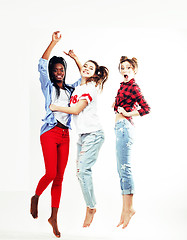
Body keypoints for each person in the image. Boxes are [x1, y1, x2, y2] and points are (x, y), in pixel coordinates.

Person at [30, 32, 81, 238]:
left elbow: (85, 79)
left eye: (61, 69)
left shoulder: (70, 90)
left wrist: (76, 59)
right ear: (52, 73)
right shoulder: (48, 86)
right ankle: (36, 197)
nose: (59, 72)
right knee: (50, 173)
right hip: (50, 133)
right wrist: (54, 42)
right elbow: (42, 63)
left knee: (59, 178)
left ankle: (54, 217)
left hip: (65, 135)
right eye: (56, 70)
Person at [50, 50, 109, 227]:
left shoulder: (91, 88)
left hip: (94, 134)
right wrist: (76, 59)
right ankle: (90, 206)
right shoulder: (79, 87)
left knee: (83, 171)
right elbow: (83, 72)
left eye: (91, 68)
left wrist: (56, 107)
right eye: (85, 66)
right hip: (82, 136)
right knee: (80, 173)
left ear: (95, 74)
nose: (86, 68)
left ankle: (91, 207)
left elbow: (76, 110)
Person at [114, 56, 150, 229]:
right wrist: (120, 109)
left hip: (124, 128)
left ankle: (129, 209)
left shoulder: (133, 87)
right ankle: (124, 209)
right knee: (120, 169)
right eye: (122, 68)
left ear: (134, 70)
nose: (125, 70)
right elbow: (117, 106)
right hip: (120, 128)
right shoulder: (123, 86)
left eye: (128, 68)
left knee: (124, 168)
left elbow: (146, 108)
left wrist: (127, 113)